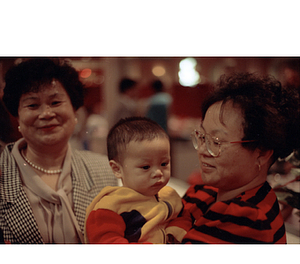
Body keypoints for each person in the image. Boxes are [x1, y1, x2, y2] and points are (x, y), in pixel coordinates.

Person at [167, 72, 300, 244]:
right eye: (202, 137)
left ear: (261, 153)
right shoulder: (205, 192)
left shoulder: (248, 219)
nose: (202, 150)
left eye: (217, 141)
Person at [0, 58, 117, 244]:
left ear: (74, 110)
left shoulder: (104, 170)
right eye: (32, 105)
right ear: (18, 116)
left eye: (55, 102)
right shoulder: (2, 176)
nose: (46, 113)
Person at [84, 117, 183, 244]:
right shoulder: (110, 207)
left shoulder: (170, 195)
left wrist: (176, 232)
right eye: (146, 167)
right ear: (117, 169)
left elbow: (183, 217)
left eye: (164, 164)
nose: (158, 173)